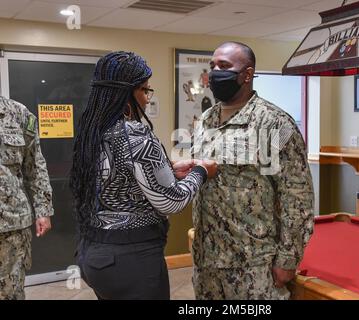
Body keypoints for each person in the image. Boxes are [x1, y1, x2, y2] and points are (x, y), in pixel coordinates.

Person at [70, 51, 216, 300]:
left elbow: (118, 177)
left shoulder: (92, 131)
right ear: (128, 92)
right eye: (145, 90)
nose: (147, 100)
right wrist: (202, 171)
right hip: (131, 259)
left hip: (94, 253)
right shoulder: (135, 135)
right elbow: (172, 201)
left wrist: (168, 170)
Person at [190, 42, 315, 300]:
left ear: (247, 75)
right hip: (207, 261)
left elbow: (297, 197)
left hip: (253, 264)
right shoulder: (205, 120)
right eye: (212, 66)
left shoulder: (274, 123)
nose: (215, 72)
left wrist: (287, 259)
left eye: (224, 66)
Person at [0, 96, 54, 300]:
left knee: (11, 293)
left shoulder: (19, 113)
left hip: (11, 227)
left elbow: (36, 167)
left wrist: (43, 210)